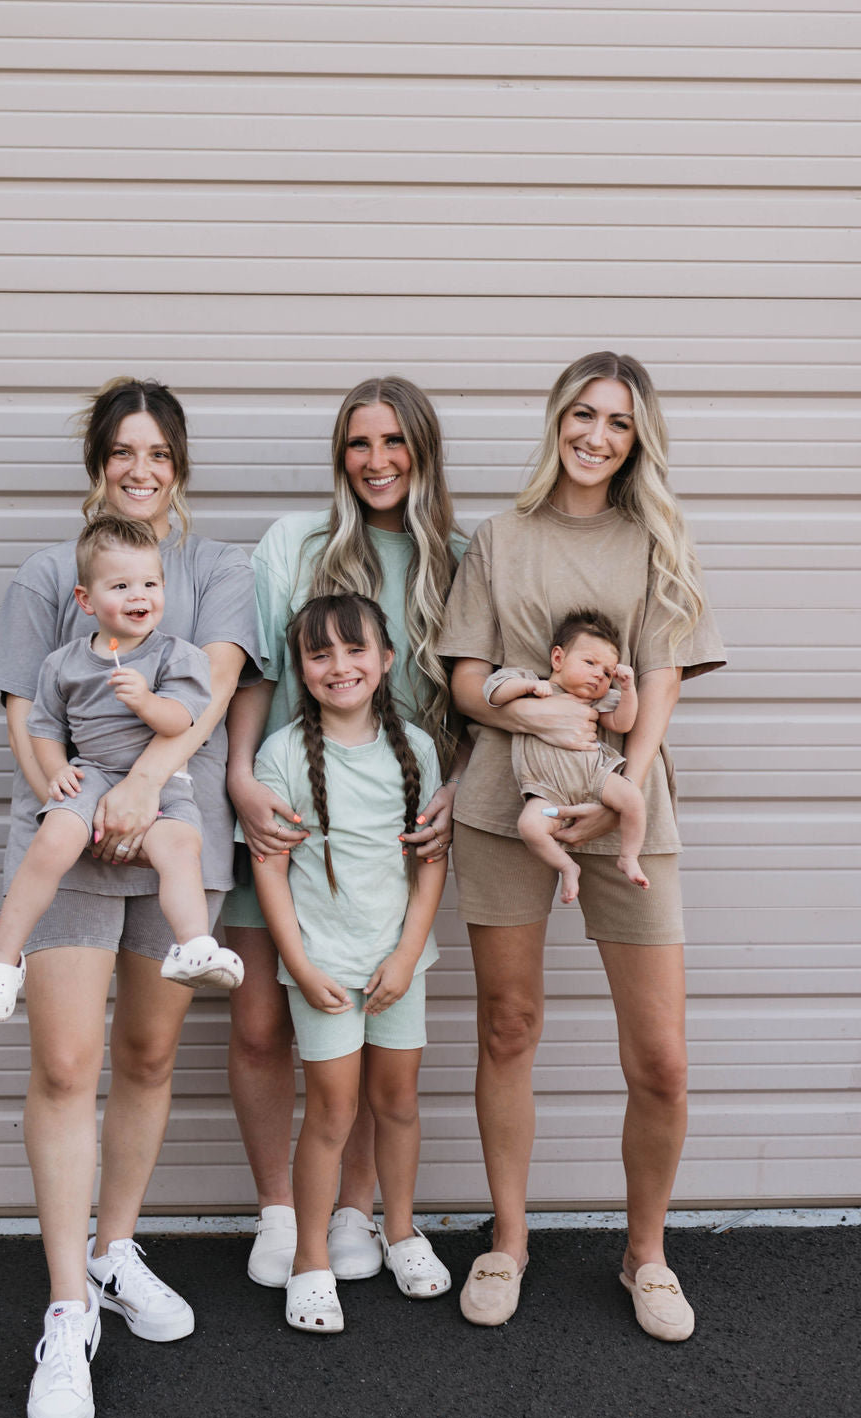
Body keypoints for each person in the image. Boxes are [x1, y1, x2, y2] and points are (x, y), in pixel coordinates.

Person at [0, 378, 259, 1418]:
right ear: (98, 463)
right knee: (63, 1065)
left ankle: (115, 1248)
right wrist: (74, 794)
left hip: (175, 832)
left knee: (146, 1056)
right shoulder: (53, 573)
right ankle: (66, 1308)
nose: (140, 468)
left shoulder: (216, 568)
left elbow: (219, 683)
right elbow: (23, 710)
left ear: (178, 464)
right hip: (70, 836)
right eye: (121, 452)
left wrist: (145, 786)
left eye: (158, 452)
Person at [439, 352, 726, 1340]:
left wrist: (623, 790)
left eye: (617, 421)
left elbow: (662, 679)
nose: (595, 434)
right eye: (582, 414)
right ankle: (508, 1238)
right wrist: (533, 708)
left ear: (636, 439)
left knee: (662, 1061)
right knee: (508, 1025)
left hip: (626, 808)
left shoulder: (655, 542)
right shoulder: (500, 537)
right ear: (557, 418)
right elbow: (465, 681)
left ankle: (645, 1252)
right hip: (505, 803)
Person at [223, 377, 468, 1290]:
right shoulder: (298, 544)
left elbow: (476, 693)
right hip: (288, 819)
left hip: (393, 839)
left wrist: (463, 784)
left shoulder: (457, 555)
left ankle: (358, 1209)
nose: (377, 461)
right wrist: (243, 776)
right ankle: (282, 1213)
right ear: (341, 454)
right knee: (258, 1024)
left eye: (395, 441)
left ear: (423, 450)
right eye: (359, 443)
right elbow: (255, 673)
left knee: (370, 1020)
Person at [251, 594, 451, 1331]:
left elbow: (431, 862)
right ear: (301, 670)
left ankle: (398, 1231)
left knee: (396, 1101)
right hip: (326, 968)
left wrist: (405, 954)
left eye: (355, 649)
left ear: (387, 659)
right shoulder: (281, 757)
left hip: (397, 963)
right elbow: (271, 872)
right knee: (332, 1110)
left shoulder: (418, 751)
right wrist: (300, 966)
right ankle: (310, 1258)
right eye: (320, 654)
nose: (340, 666)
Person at [0, 514, 243, 1020]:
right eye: (121, 585)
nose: (140, 595)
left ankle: (192, 945)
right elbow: (44, 727)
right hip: (90, 773)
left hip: (162, 786)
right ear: (86, 601)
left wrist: (145, 702)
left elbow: (183, 718)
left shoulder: (176, 656)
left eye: (150, 584)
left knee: (181, 849)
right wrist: (55, 773)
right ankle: (2, 961)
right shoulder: (64, 663)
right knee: (52, 842)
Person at [483, 608, 649, 904]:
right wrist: (530, 686)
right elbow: (493, 694)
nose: (599, 674)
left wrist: (628, 688)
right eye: (590, 662)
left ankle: (629, 856)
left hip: (594, 778)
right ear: (558, 658)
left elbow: (623, 723)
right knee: (530, 827)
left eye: (607, 672)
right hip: (547, 789)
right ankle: (566, 866)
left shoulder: (598, 700)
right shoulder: (531, 687)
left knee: (633, 798)